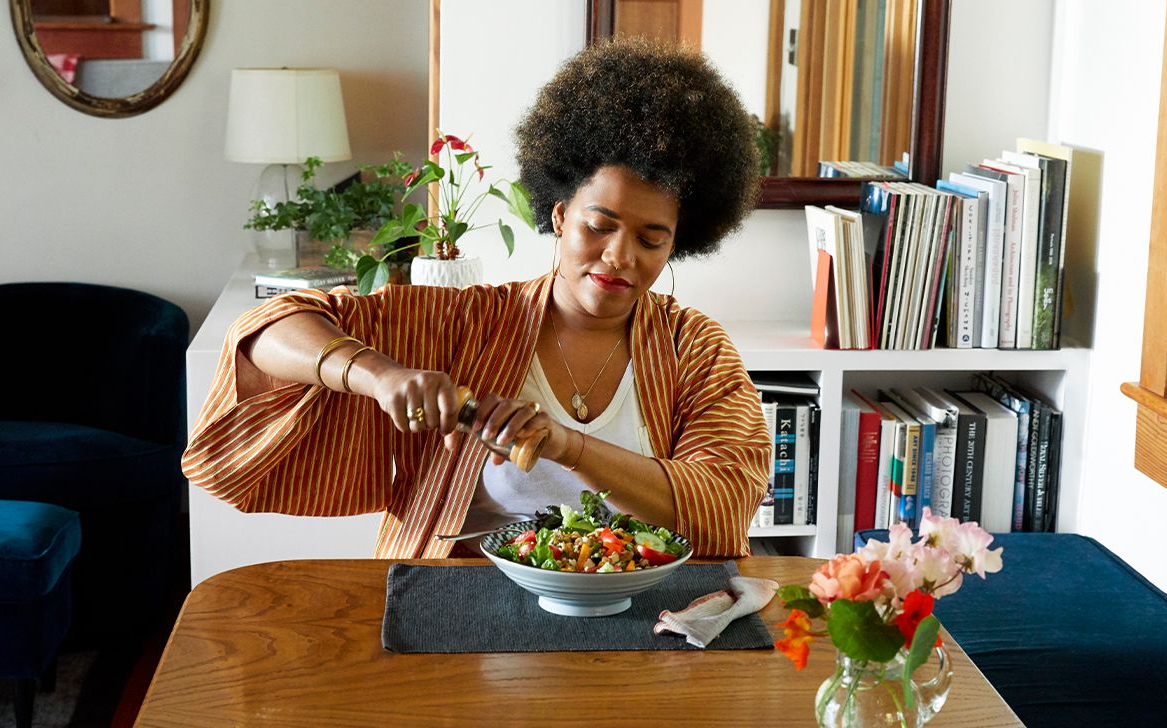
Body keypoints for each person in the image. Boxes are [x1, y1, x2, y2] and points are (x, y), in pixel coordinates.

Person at [183, 38, 772, 559]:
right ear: (560, 215)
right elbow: (266, 329)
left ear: (678, 245)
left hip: (635, 608)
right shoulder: (465, 318)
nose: (620, 256)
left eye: (651, 239)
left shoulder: (691, 347)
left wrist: (566, 445)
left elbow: (723, 506)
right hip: (458, 597)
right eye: (599, 226)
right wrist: (381, 376)